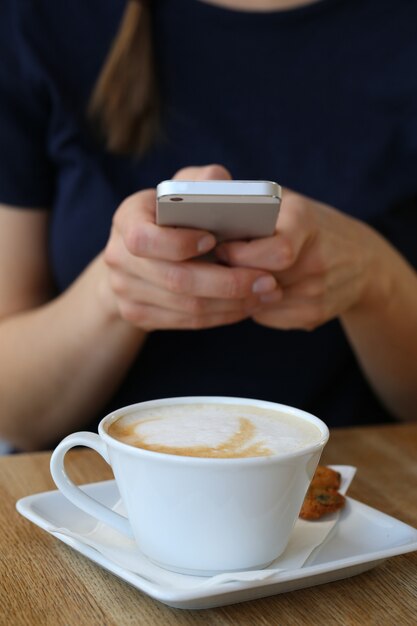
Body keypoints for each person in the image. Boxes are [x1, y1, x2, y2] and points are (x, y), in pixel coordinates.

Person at [0, 0, 416, 452]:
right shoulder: (42, 17)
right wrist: (113, 293)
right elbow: (14, 414)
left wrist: (376, 280)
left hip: (356, 492)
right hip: (94, 496)